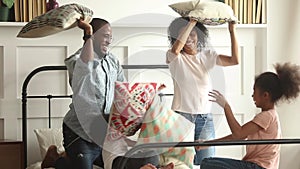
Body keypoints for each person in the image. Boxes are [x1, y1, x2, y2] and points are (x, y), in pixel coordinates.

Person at [41, 18, 126, 169]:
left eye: (110, 37)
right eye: (105, 36)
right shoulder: (77, 60)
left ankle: (64, 158)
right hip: (79, 133)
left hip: (103, 136)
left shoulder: (113, 61)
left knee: (122, 165)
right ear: (93, 36)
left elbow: (123, 90)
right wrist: (87, 33)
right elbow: (87, 64)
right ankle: (56, 160)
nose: (109, 41)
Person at [166, 16, 239, 165]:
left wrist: (232, 31)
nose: (188, 38)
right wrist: (191, 23)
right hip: (181, 117)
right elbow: (176, 48)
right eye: (184, 34)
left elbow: (234, 60)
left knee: (208, 162)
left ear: (199, 35)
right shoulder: (174, 57)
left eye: (193, 33)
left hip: (205, 118)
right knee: (181, 163)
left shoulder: (207, 56)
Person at [198, 62, 300, 169]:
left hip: (258, 167)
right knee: (207, 163)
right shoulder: (271, 116)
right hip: (258, 166)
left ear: (265, 95)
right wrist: (208, 143)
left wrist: (226, 106)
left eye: (254, 91)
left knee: (207, 164)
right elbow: (238, 136)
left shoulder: (267, 116)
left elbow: (238, 133)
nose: (252, 95)